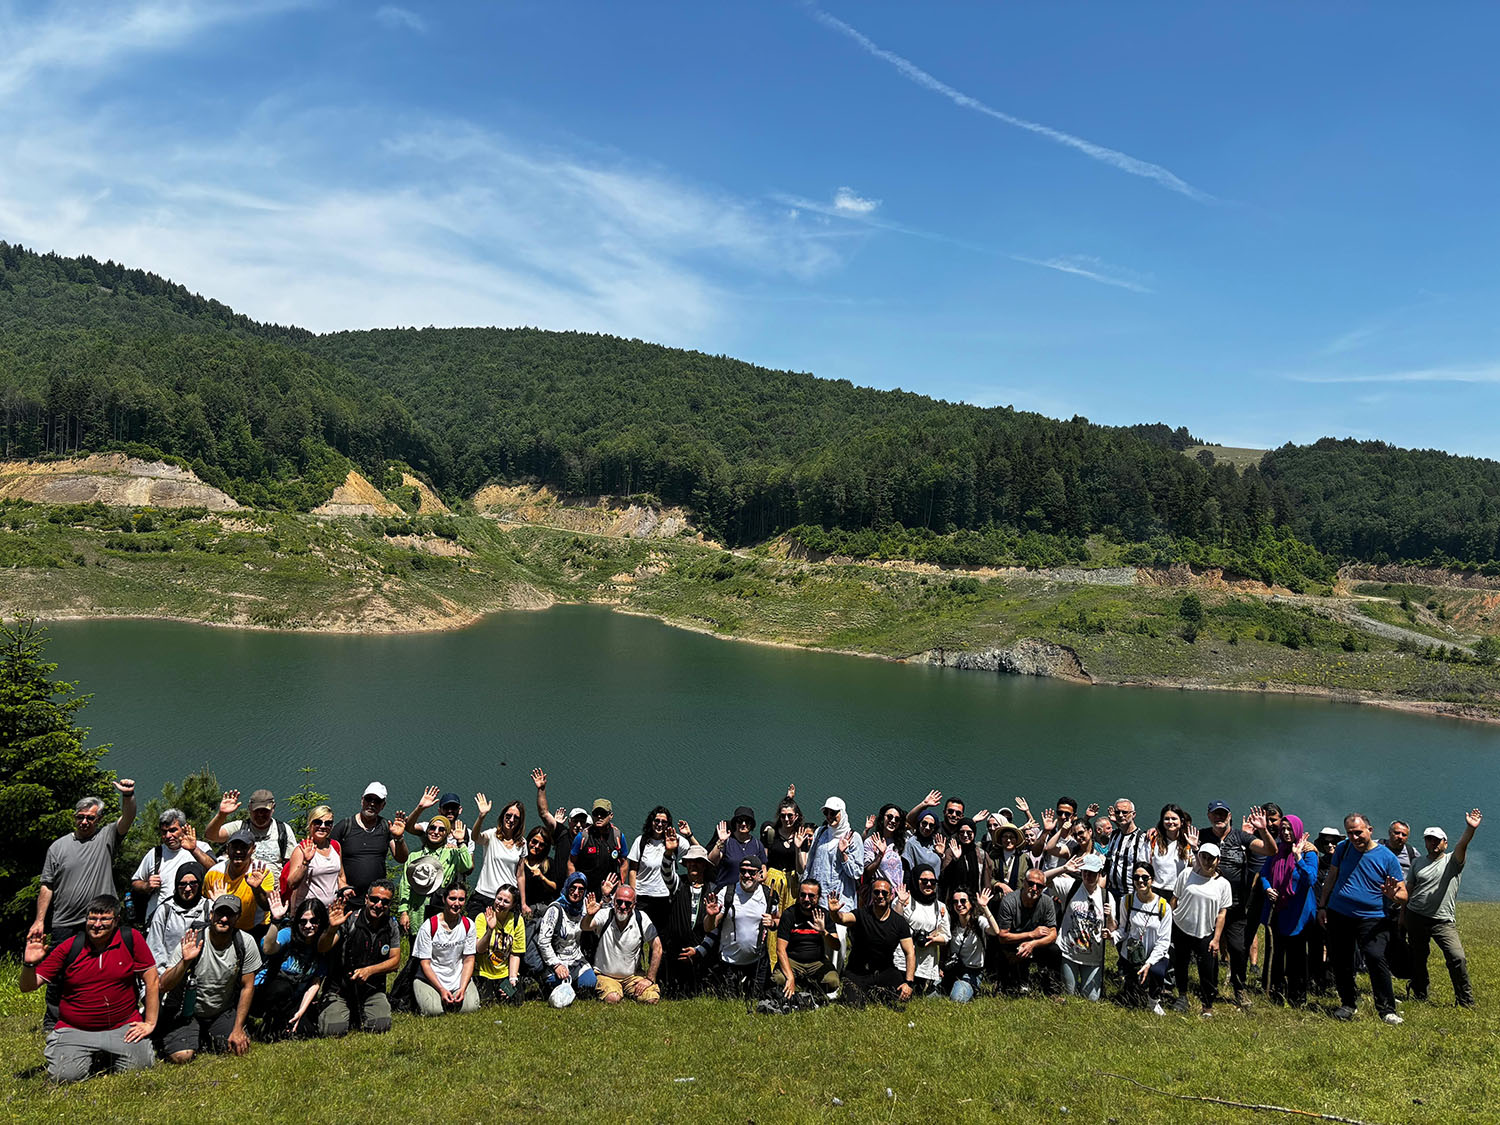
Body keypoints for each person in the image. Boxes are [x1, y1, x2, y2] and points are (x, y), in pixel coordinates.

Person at [19, 894, 158, 1083]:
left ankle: (104, 1053)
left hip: (123, 1026)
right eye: (92, 918)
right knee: (65, 1077)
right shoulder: (70, 947)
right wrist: (29, 964)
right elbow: (28, 986)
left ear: (116, 920)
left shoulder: (130, 939)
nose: (97, 924)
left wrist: (149, 1023)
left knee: (139, 1069)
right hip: (74, 1028)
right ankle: (81, 1052)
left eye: (104, 919)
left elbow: (152, 981)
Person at [1317, 813, 1407, 1023]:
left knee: (1375, 957)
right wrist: (1322, 906)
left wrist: (1394, 895)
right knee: (1342, 960)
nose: (1355, 837)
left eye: (1358, 832)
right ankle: (1348, 1004)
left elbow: (1404, 895)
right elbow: (1331, 877)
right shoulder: (1343, 848)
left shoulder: (1387, 858)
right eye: (1350, 833)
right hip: (1339, 914)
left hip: (1373, 917)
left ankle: (1387, 1010)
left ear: (1370, 830)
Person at [32, 780, 138, 949]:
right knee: (63, 972)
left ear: (99, 819)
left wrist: (127, 795)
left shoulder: (107, 837)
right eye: (80, 817)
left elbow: (128, 817)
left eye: (90, 818)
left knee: (103, 970)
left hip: (101, 921)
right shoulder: (57, 847)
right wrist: (39, 921)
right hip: (65, 923)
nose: (84, 822)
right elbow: (47, 886)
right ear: (75, 817)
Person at [155, 894, 258, 1062]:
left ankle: (205, 1035)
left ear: (237, 918)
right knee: (182, 1056)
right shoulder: (193, 940)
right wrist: (185, 962)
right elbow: (163, 985)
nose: (224, 919)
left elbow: (248, 987)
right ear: (211, 915)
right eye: (219, 913)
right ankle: (183, 1034)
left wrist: (238, 1028)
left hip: (220, 1011)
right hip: (185, 1012)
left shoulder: (245, 943)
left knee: (238, 1049)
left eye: (230, 914)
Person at [1405, 809, 1481, 1008]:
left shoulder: (1452, 861)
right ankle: (1420, 994)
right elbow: (1409, 890)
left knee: (1457, 957)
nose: (1433, 843)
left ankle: (1465, 1001)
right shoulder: (1417, 863)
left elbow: (1462, 844)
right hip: (1415, 916)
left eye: (1437, 840)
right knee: (1418, 957)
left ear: (1445, 843)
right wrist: (1400, 910)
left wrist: (1470, 828)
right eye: (1429, 840)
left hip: (1442, 920)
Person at [320, 878, 402, 1034]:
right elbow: (323, 947)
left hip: (372, 989)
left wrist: (369, 971)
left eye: (384, 902)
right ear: (366, 899)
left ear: (389, 904)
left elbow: (395, 961)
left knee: (380, 1026)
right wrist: (331, 929)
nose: (379, 905)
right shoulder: (349, 920)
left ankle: (359, 1011)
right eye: (374, 899)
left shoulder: (391, 925)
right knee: (333, 1030)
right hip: (340, 988)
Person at [1198, 800, 1258, 1009]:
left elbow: (1269, 850)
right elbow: (1173, 834)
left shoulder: (1241, 836)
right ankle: (1209, 989)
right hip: (1209, 904)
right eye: (1215, 814)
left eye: (1223, 814)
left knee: (1238, 948)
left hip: (1236, 905)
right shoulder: (1202, 835)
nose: (1219, 817)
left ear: (1230, 816)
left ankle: (1239, 988)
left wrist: (1263, 831)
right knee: (1209, 948)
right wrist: (1155, 831)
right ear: (1209, 816)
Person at [1257, 815, 1318, 1006]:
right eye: (1283, 829)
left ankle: (1297, 997)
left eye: (1290, 829)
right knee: (1277, 953)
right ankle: (1275, 993)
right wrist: (1267, 887)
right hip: (1279, 909)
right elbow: (1265, 873)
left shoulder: (1309, 853)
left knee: (1297, 956)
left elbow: (1310, 880)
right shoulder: (1277, 851)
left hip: (1299, 912)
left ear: (1298, 830)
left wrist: (1298, 857)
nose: (1285, 832)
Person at [826, 875, 916, 1005]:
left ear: (891, 896)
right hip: (858, 971)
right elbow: (841, 919)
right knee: (854, 1004)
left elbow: (910, 952)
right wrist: (834, 913)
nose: (880, 895)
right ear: (872, 895)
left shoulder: (899, 922)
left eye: (884, 892)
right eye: (876, 892)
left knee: (901, 1000)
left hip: (885, 970)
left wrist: (908, 983)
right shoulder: (860, 914)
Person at [255, 897, 334, 1037]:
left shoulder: (322, 946)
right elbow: (268, 948)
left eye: (314, 921)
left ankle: (284, 1024)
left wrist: (300, 1012)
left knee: (306, 1031)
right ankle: (269, 1024)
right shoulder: (288, 933)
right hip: (266, 992)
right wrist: (276, 921)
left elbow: (315, 983)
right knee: (282, 987)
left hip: (293, 1000)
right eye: (303, 921)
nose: (308, 926)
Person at [1170, 843, 1232, 1017]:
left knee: (1207, 968)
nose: (1206, 861)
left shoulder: (1223, 884)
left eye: (1211, 858)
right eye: (1203, 856)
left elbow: (1222, 914)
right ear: (1198, 857)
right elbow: (1175, 899)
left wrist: (1217, 938)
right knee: (1181, 963)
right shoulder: (1186, 874)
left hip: (1206, 931)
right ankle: (1182, 996)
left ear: (1218, 860)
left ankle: (1207, 1005)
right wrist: (1172, 919)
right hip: (1181, 927)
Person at [705, 854, 775, 998]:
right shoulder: (727, 893)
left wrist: (773, 923)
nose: (747, 875)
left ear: (760, 874)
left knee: (757, 999)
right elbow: (708, 927)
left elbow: (778, 918)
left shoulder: (768, 894)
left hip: (757, 962)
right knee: (728, 1002)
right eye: (743, 871)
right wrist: (711, 915)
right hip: (728, 962)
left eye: (751, 872)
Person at [129, 807, 214, 925]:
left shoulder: (201, 848)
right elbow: (135, 882)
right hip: (160, 921)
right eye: (164, 832)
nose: (168, 836)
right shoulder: (155, 853)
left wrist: (194, 850)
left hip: (195, 919)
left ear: (184, 829)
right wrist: (146, 885)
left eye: (173, 830)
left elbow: (215, 870)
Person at [585, 884, 663, 1004]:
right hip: (606, 975)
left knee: (651, 998)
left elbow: (657, 947)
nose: (622, 906)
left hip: (632, 977)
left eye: (627, 903)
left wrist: (649, 978)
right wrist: (589, 916)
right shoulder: (605, 915)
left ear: (634, 905)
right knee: (612, 998)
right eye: (619, 902)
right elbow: (585, 926)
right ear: (613, 901)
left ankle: (628, 989)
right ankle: (616, 990)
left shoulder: (641, 918)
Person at [330, 782, 409, 898]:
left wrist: (399, 838)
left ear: (383, 805)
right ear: (362, 800)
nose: (372, 804)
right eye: (368, 799)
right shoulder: (344, 826)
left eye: (377, 801)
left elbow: (401, 858)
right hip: (348, 897)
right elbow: (327, 858)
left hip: (377, 900)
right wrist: (341, 884)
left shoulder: (386, 827)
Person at [395, 815, 473, 932]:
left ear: (447, 834)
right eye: (432, 828)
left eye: (441, 830)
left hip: (441, 911)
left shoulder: (452, 854)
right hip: (417, 911)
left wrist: (461, 842)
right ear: (427, 831)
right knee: (416, 946)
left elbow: (467, 866)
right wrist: (404, 912)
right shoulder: (414, 856)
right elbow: (405, 885)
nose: (436, 832)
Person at [411, 885, 479, 1015]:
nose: (456, 904)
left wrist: (463, 987)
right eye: (452, 898)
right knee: (434, 1011)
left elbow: (469, 960)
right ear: (444, 899)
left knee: (471, 1007)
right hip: (430, 978)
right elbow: (425, 963)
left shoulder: (468, 925)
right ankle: (432, 996)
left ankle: (454, 995)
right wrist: (441, 989)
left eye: (461, 899)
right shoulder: (429, 926)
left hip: (457, 977)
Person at [993, 866, 1060, 995]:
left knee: (1054, 950)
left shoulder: (1047, 902)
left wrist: (1032, 943)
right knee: (1000, 950)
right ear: (1024, 882)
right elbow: (1002, 936)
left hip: (1035, 944)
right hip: (1013, 942)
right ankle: (1003, 983)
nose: (1034, 889)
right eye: (1031, 884)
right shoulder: (1009, 901)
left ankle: (1053, 990)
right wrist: (1031, 935)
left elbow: (1053, 934)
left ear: (1044, 888)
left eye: (1039, 886)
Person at [1051, 852, 1110, 1001]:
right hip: (1069, 952)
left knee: (1091, 1000)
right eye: (1085, 872)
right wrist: (1064, 869)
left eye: (1093, 873)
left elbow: (1112, 928)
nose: (1088, 876)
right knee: (1069, 995)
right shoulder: (1071, 886)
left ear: (1099, 874)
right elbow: (1041, 878)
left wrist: (1110, 921)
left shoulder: (1106, 896)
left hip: (1093, 957)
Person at [1115, 863, 1172, 1013]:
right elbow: (1123, 930)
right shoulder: (1126, 901)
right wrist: (1112, 935)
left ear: (1152, 880)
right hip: (1133, 954)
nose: (1140, 881)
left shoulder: (1163, 906)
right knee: (1131, 1000)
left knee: (1156, 972)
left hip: (1155, 955)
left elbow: (1164, 941)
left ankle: (1154, 999)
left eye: (1145, 877)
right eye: (1136, 877)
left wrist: (1149, 963)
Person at [772, 879, 841, 1003]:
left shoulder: (824, 915)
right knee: (778, 979)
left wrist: (823, 932)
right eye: (803, 895)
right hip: (793, 960)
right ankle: (794, 987)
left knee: (833, 981)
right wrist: (790, 977)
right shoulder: (789, 914)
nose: (806, 899)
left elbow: (836, 946)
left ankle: (809, 990)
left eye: (811, 896)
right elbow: (780, 949)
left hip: (817, 961)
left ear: (818, 897)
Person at [535, 872, 598, 1004]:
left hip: (576, 960)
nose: (576, 892)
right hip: (556, 960)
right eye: (573, 888)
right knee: (555, 985)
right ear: (567, 887)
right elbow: (543, 942)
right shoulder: (555, 910)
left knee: (589, 984)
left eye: (581, 889)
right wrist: (556, 965)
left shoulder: (585, 908)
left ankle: (574, 983)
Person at [664, 845, 717, 997]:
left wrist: (699, 951)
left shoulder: (713, 890)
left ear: (705, 865)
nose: (693, 864)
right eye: (690, 861)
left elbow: (715, 928)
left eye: (698, 861)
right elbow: (666, 871)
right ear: (685, 864)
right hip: (676, 953)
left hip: (702, 955)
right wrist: (668, 852)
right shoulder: (677, 885)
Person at [202, 829, 277, 936]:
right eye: (234, 847)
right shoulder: (214, 873)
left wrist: (256, 889)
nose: (238, 851)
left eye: (244, 847)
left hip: (254, 928)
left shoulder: (261, 871)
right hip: (223, 926)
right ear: (227, 849)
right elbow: (205, 903)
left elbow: (267, 905)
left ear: (253, 849)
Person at [205, 789, 296, 868]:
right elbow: (211, 836)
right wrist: (222, 815)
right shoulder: (239, 827)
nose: (260, 814)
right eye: (256, 810)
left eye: (265, 811)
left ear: (273, 808)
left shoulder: (283, 830)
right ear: (250, 808)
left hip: (273, 887)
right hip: (242, 885)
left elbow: (291, 862)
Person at [471, 795, 529, 918]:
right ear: (503, 816)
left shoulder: (522, 843)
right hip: (485, 895)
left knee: (501, 937)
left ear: (520, 821)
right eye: (508, 816)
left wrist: (523, 903)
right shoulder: (492, 835)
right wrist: (482, 816)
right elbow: (475, 837)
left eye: (516, 818)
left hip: (507, 899)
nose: (511, 820)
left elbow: (520, 875)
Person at [146, 863, 208, 970]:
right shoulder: (165, 910)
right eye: (182, 884)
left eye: (193, 883)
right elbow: (154, 947)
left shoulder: (209, 907)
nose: (188, 888)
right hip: (170, 975)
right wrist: (163, 977)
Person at [628, 807, 680, 934]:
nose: (660, 824)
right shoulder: (640, 841)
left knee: (661, 936)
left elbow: (696, 851)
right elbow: (632, 870)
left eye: (664, 822)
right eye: (657, 821)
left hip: (663, 897)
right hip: (642, 897)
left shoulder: (674, 841)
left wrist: (689, 835)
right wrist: (633, 893)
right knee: (636, 934)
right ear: (651, 821)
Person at [283, 805, 346, 910]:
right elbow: (292, 884)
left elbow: (340, 875)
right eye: (317, 822)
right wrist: (305, 862)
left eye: (328, 823)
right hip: (309, 913)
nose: (322, 826)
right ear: (310, 824)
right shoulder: (301, 849)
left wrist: (344, 889)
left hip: (332, 910)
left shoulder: (335, 846)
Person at [942, 886, 999, 1002]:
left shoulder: (979, 921)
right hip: (953, 969)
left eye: (963, 901)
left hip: (972, 971)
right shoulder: (952, 923)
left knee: (957, 999)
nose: (959, 904)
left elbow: (996, 931)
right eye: (955, 902)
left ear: (971, 903)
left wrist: (984, 907)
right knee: (931, 995)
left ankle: (970, 988)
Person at [532, 768, 588, 884]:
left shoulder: (590, 840)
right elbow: (544, 813)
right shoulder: (562, 833)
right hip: (558, 892)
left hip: (579, 892)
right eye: (575, 821)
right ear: (569, 822)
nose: (578, 825)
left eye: (582, 822)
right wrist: (541, 789)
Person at [899, 864, 949, 995]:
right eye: (924, 881)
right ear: (916, 881)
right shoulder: (905, 900)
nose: (928, 884)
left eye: (933, 882)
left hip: (925, 964)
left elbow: (947, 936)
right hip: (902, 962)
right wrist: (899, 902)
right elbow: (893, 925)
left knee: (918, 995)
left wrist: (934, 940)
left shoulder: (940, 907)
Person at [806, 797, 863, 910]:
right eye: (826, 812)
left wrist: (843, 855)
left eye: (833, 812)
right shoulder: (821, 832)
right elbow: (810, 863)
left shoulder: (853, 837)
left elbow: (857, 872)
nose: (829, 816)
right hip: (817, 900)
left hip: (840, 902)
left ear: (842, 812)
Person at [473, 884, 526, 1004]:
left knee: (516, 999)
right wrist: (490, 930)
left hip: (504, 974)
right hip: (484, 973)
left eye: (506, 901)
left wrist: (512, 979)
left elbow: (515, 953)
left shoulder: (517, 921)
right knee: (486, 1001)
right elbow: (479, 949)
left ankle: (506, 988)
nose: (501, 904)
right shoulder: (483, 917)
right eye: (499, 899)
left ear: (513, 905)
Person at [1101, 798, 1150, 918]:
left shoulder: (1142, 839)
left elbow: (1145, 868)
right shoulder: (1114, 835)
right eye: (1117, 812)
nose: (1121, 815)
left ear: (1133, 815)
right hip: (1111, 892)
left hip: (1131, 893)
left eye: (1125, 812)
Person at [570, 798, 628, 895]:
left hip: (610, 891)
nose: (599, 816)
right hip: (585, 892)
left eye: (603, 813)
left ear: (611, 815)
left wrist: (621, 884)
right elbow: (571, 863)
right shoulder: (582, 837)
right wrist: (573, 884)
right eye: (596, 813)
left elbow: (624, 863)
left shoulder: (618, 836)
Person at [710, 805, 769, 890]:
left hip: (748, 893)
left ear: (751, 824)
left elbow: (763, 868)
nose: (743, 824)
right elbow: (712, 861)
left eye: (747, 821)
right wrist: (720, 841)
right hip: (725, 892)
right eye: (740, 821)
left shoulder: (757, 844)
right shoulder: (727, 842)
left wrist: (754, 881)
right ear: (735, 823)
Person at [1148, 804, 1196, 900]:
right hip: (1155, 891)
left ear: (1181, 821)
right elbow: (1143, 865)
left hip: (1179, 893)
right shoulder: (1152, 840)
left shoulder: (1189, 842)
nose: (1170, 822)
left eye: (1174, 819)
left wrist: (1195, 848)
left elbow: (1198, 867)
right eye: (1167, 819)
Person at [861, 804, 908, 891]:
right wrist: (880, 854)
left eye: (897, 819)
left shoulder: (903, 843)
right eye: (890, 817)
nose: (893, 821)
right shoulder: (871, 842)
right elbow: (867, 872)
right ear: (882, 818)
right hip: (880, 893)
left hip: (898, 895)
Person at [408, 788, 472, 850]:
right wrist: (420, 808)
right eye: (446, 808)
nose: (450, 811)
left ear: (460, 810)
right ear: (439, 810)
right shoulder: (430, 828)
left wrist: (459, 847)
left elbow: (469, 859)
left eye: (454, 808)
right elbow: (409, 828)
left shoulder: (467, 834)